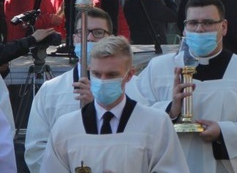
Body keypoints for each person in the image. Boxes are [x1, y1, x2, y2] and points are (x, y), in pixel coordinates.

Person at [136, 0, 237, 172]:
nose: (199, 29)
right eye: (192, 23)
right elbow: (135, 116)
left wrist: (223, 133)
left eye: (207, 23)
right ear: (184, 29)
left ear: (223, 27)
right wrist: (170, 110)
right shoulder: (158, 69)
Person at [40, 36, 188, 171]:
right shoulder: (65, 128)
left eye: (112, 75)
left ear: (129, 74)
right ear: (89, 70)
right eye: (97, 74)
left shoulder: (156, 124)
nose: (103, 80)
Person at [25, 8, 143, 172]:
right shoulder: (50, 91)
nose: (89, 38)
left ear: (111, 38)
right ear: (74, 38)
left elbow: (145, 141)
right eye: (82, 32)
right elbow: (36, 149)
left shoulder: (137, 87)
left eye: (98, 32)